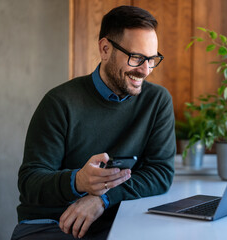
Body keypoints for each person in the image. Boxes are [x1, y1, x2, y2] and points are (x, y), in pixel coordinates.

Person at [11, 5, 175, 240]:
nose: (145, 70)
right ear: (105, 49)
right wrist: (77, 181)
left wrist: (102, 198)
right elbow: (29, 182)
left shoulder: (157, 101)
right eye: (136, 57)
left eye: (152, 59)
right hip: (51, 224)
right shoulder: (59, 102)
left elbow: (160, 173)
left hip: (114, 220)